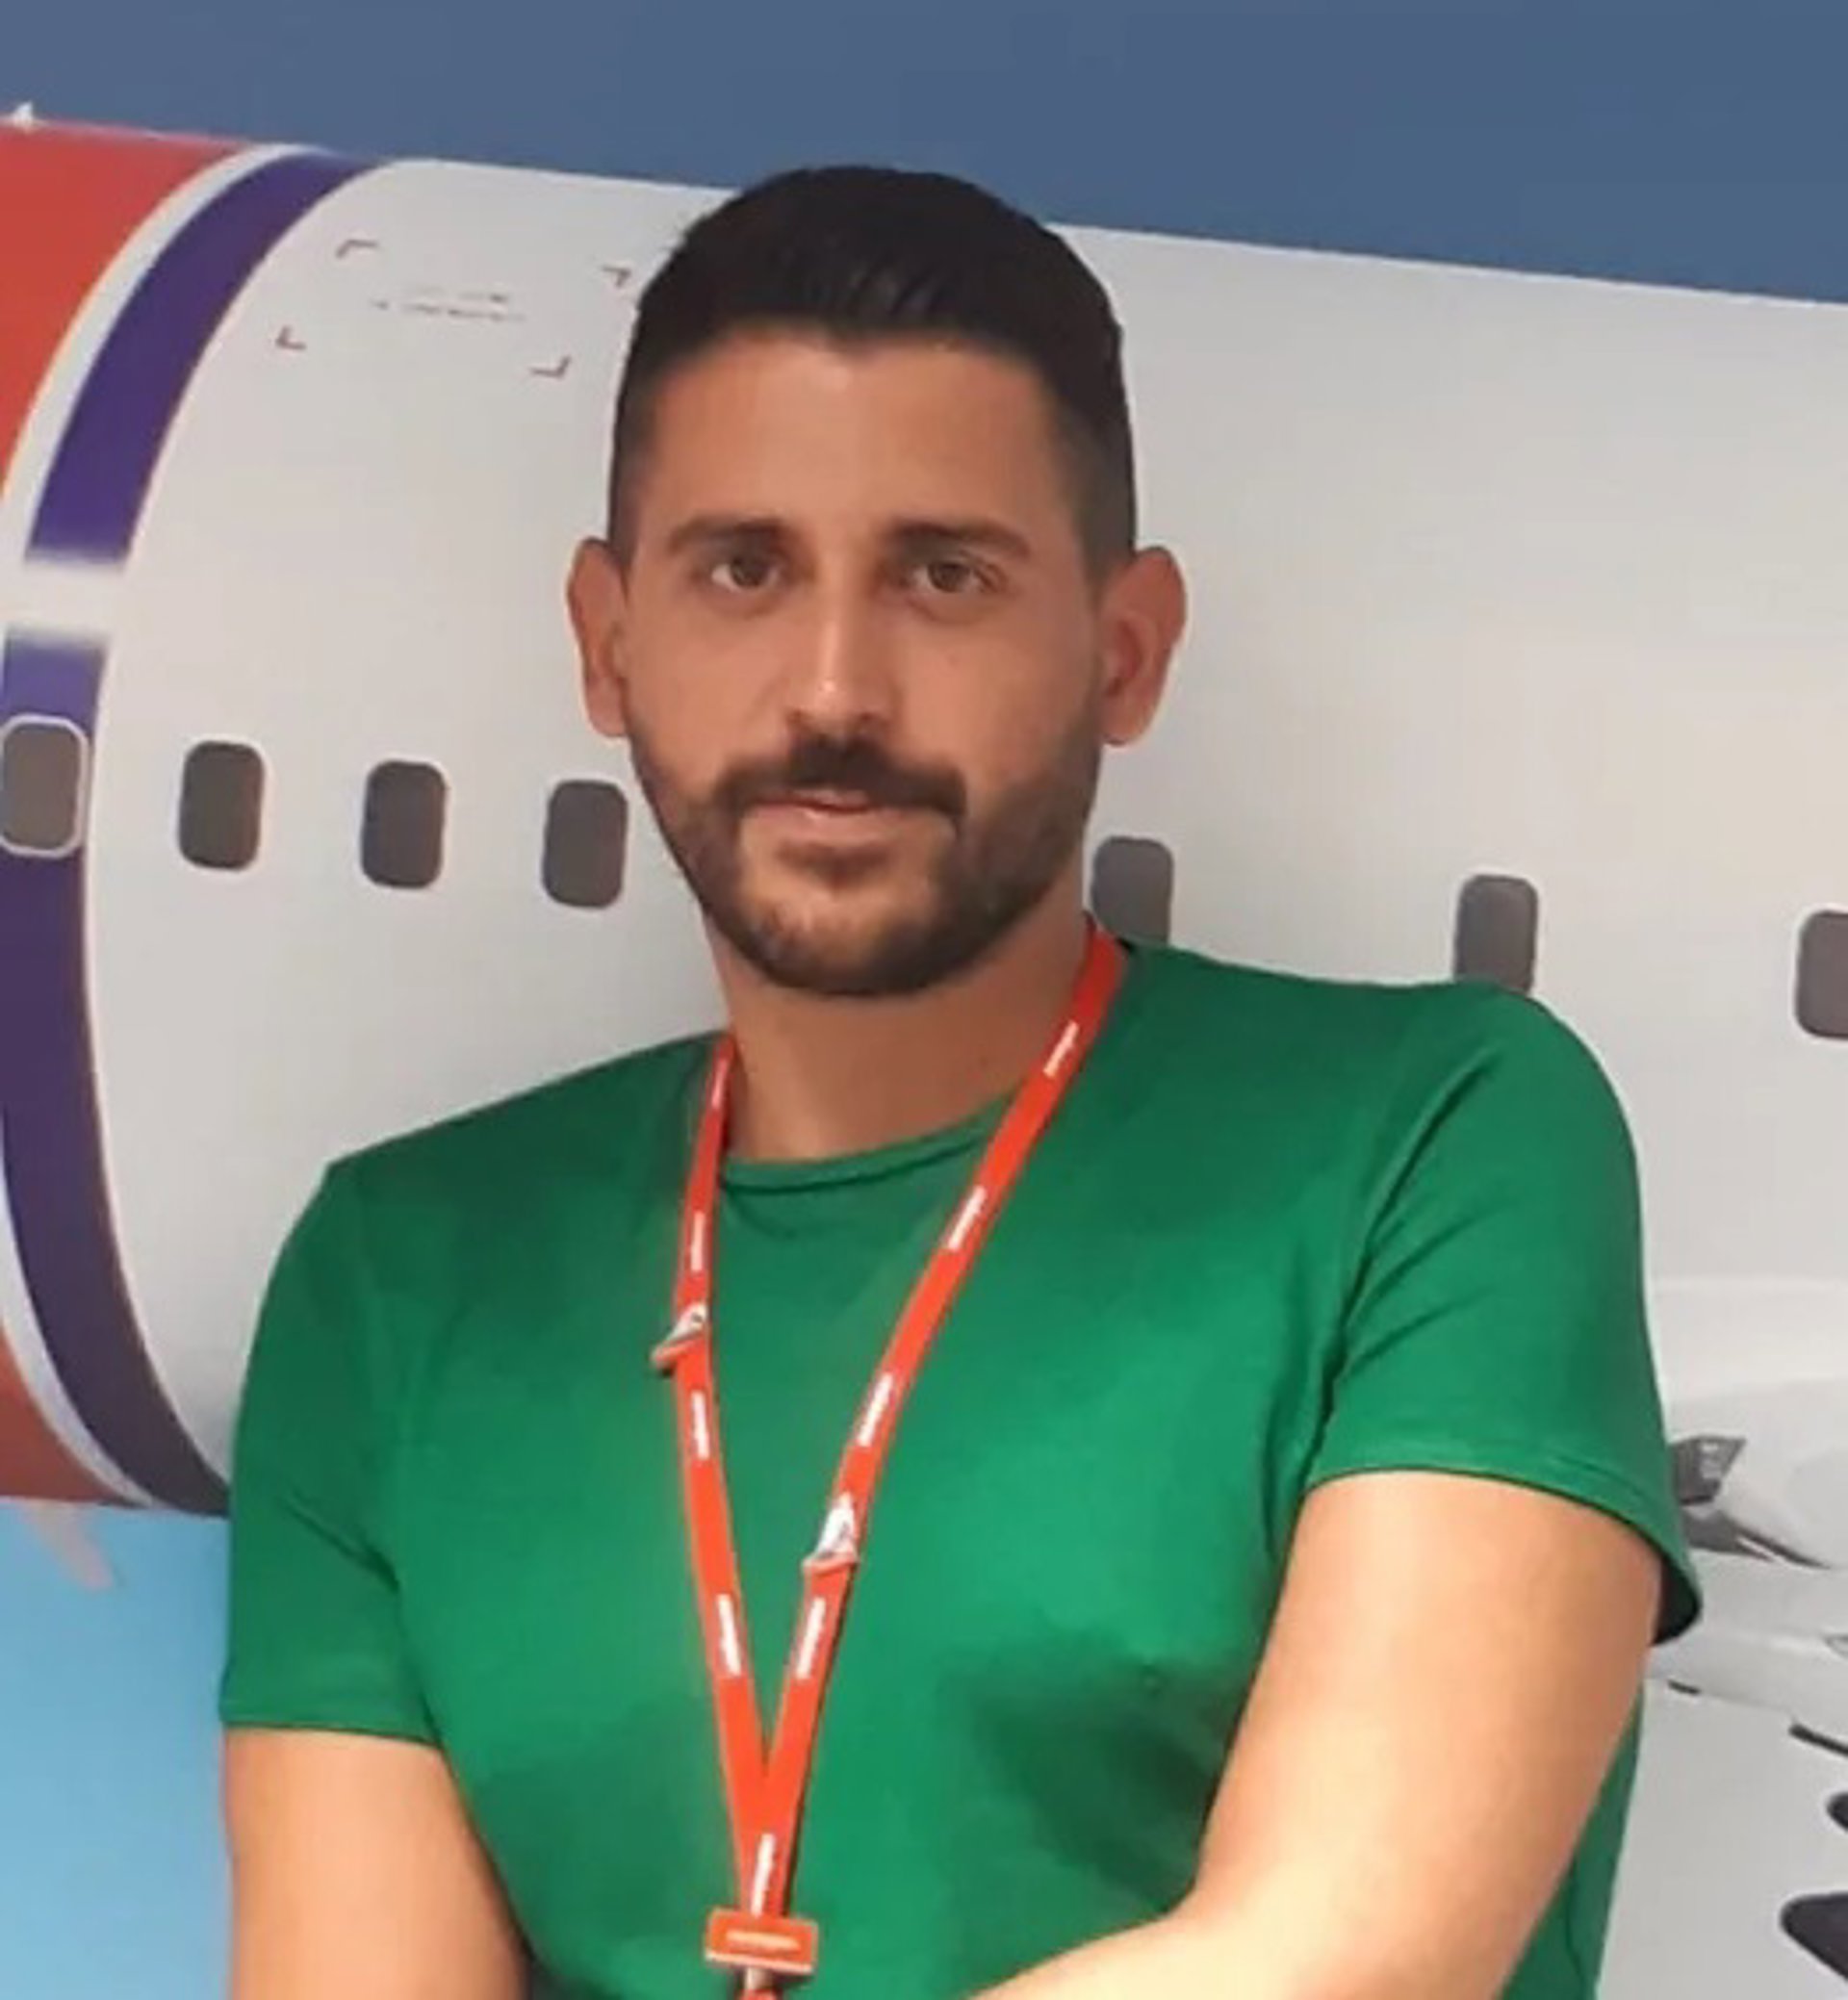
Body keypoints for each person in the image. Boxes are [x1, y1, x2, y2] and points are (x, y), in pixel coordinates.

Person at [218, 163, 1701, 2000]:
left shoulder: (1439, 1136)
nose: (834, 690)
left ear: (1124, 651)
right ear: (610, 642)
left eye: (945, 575)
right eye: (744, 569)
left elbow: (1347, 1961)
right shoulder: (398, 1277)